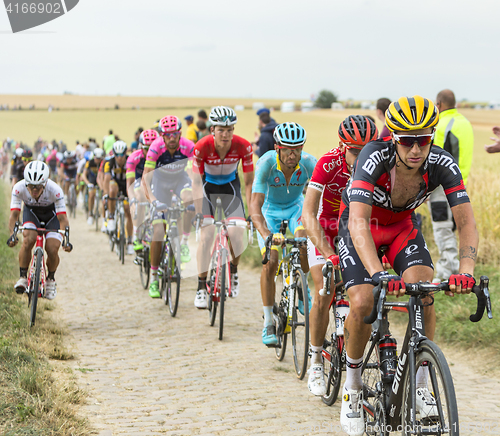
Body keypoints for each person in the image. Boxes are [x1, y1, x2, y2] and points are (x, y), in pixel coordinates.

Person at [336, 96, 478, 435]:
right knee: (363, 300)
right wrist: (378, 273)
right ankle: (352, 388)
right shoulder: (374, 155)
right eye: (407, 140)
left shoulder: (441, 161)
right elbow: (357, 221)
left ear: (431, 137)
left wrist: (467, 270)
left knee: (424, 287)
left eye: (424, 139)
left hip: (401, 227)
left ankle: (419, 383)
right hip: (362, 227)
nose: (416, 149)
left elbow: (466, 220)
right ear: (393, 137)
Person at [302, 115, 378, 396]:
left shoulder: (379, 165)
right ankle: (316, 360)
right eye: (355, 151)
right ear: (342, 146)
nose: (361, 158)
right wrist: (328, 253)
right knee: (323, 291)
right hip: (326, 228)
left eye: (366, 150)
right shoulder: (328, 163)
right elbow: (308, 214)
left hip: (356, 229)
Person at [250, 122, 316, 345]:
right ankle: (268, 321)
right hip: (270, 211)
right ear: (278, 148)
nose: (293, 154)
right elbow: (254, 206)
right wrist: (267, 233)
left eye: (297, 148)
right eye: (288, 149)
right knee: (271, 261)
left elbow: (321, 197)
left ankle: (302, 283)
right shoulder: (266, 163)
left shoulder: (308, 163)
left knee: (303, 242)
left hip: (296, 207)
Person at [192, 106, 254, 308]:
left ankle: (233, 272)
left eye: (229, 129)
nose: (225, 134)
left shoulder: (243, 146)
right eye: (221, 130)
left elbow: (248, 183)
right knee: (207, 235)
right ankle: (201, 286)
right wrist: (198, 211)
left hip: (230, 188)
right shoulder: (201, 147)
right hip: (207, 188)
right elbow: (195, 181)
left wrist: (251, 212)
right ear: (212, 130)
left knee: (237, 232)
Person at [141, 117, 195, 298]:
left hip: (180, 180)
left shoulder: (188, 146)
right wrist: (153, 201)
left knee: (190, 200)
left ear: (180, 134)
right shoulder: (155, 148)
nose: (172, 138)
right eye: (168, 135)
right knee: (158, 231)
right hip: (159, 183)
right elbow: (146, 179)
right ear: (162, 136)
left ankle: (185, 243)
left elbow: (195, 173)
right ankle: (155, 278)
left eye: (175, 134)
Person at [8, 161, 72, 299]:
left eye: (38, 187)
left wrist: (66, 240)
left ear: (45, 184)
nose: (34, 190)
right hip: (32, 213)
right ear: (26, 184)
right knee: (28, 240)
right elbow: (14, 215)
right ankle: (23, 277)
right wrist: (12, 235)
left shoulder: (55, 190)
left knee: (52, 248)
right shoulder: (18, 188)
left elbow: (62, 219)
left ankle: (50, 280)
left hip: (52, 216)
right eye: (31, 187)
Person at [429, 89, 474, 282]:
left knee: (442, 227)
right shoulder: (465, 122)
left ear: (438, 104)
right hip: (459, 184)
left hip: (440, 187)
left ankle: (448, 271)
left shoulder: (442, 124)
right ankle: (454, 266)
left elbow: (432, 156)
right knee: (457, 226)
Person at [126, 129, 158, 250]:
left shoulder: (160, 155)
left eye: (152, 147)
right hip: (138, 181)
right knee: (140, 196)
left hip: (155, 182)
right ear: (140, 147)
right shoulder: (134, 158)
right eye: (146, 148)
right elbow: (129, 183)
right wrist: (133, 200)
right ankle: (137, 233)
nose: (150, 151)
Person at [103, 141, 134, 255]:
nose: (119, 158)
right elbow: (106, 179)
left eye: (122, 155)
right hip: (115, 183)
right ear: (114, 154)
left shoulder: (131, 160)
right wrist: (106, 194)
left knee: (128, 211)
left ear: (125, 153)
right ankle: (111, 217)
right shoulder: (109, 162)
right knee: (112, 190)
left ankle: (130, 242)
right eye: (117, 155)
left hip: (127, 184)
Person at [82, 148, 104, 225]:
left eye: (99, 159)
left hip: (101, 182)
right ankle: (90, 214)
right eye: (96, 158)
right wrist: (88, 183)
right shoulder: (89, 163)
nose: (97, 160)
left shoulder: (104, 163)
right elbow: (84, 175)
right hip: (91, 182)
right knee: (91, 195)